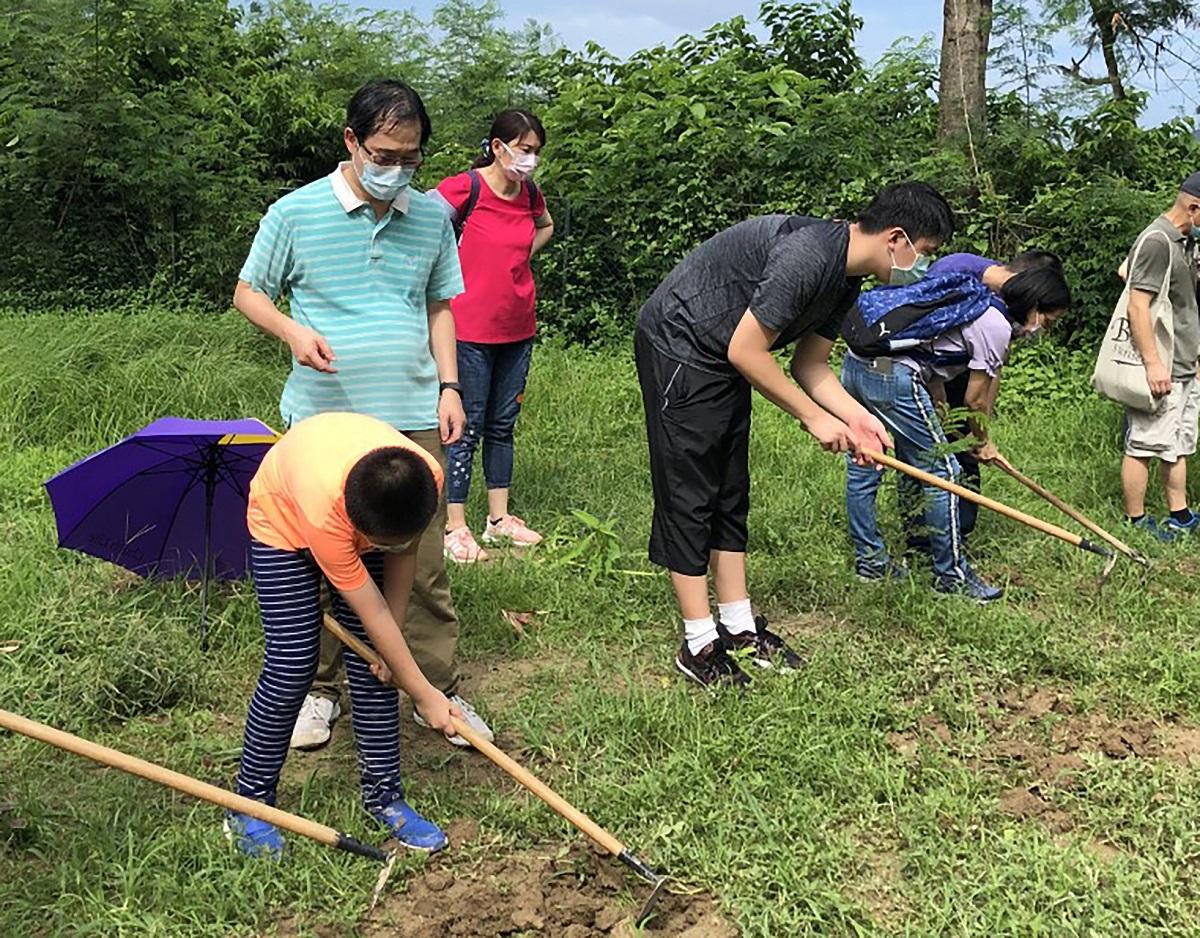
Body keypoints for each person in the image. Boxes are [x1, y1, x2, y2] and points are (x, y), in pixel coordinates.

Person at [233, 79, 494, 750]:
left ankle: (432, 683)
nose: (397, 170)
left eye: (411, 157)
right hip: (325, 422)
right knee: (318, 560)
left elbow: (441, 305)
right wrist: (292, 333)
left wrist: (450, 387)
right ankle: (319, 693)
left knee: (422, 558)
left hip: (409, 412)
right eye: (384, 153)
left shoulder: (432, 216)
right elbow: (247, 292)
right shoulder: (295, 213)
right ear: (351, 141)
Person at [635, 182, 955, 688]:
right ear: (897, 238)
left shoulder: (845, 277)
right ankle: (698, 641)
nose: (922, 263)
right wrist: (812, 418)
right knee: (690, 490)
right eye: (925, 251)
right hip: (682, 342)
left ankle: (738, 626)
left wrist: (855, 418)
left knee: (729, 488)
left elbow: (812, 365)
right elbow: (748, 351)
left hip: (722, 353)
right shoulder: (809, 256)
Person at [225, 412, 460, 858]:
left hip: (351, 494)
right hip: (282, 519)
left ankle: (385, 797)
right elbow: (368, 609)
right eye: (374, 542)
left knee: (377, 666)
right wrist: (425, 693)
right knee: (293, 661)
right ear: (357, 528)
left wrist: (388, 654)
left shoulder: (424, 475)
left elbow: (403, 554)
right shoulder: (325, 514)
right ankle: (249, 804)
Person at [842, 256, 1071, 601]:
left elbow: (933, 367)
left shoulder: (974, 301)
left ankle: (871, 561)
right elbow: (976, 400)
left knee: (867, 462)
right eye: (1048, 321)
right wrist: (983, 442)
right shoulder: (994, 324)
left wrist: (942, 418)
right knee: (944, 471)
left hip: (860, 365)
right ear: (1035, 307)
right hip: (893, 377)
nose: (1044, 329)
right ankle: (951, 576)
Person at [435, 110, 555, 563]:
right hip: (467, 329)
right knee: (465, 427)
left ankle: (499, 520)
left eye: (536, 152)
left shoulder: (529, 194)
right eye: (525, 150)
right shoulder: (466, 187)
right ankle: (455, 526)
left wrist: (517, 258)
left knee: (503, 425)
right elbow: (425, 230)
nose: (531, 160)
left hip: (517, 326)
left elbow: (545, 226)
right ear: (498, 146)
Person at [904, 251, 1067, 546]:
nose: (1043, 327)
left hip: (951, 372)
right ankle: (927, 538)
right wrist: (978, 436)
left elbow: (993, 366)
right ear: (1028, 286)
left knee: (961, 452)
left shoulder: (1011, 312)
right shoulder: (960, 274)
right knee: (931, 457)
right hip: (920, 372)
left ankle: (955, 534)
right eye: (1047, 319)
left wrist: (981, 428)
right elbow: (933, 346)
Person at [1117, 173, 1200, 540]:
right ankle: (1135, 521)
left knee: (1178, 442)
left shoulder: (1183, 242)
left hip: (1185, 362)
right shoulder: (1157, 240)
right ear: (1194, 208)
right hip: (1162, 364)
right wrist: (1153, 363)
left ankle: (1179, 514)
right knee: (1145, 444)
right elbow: (1137, 304)